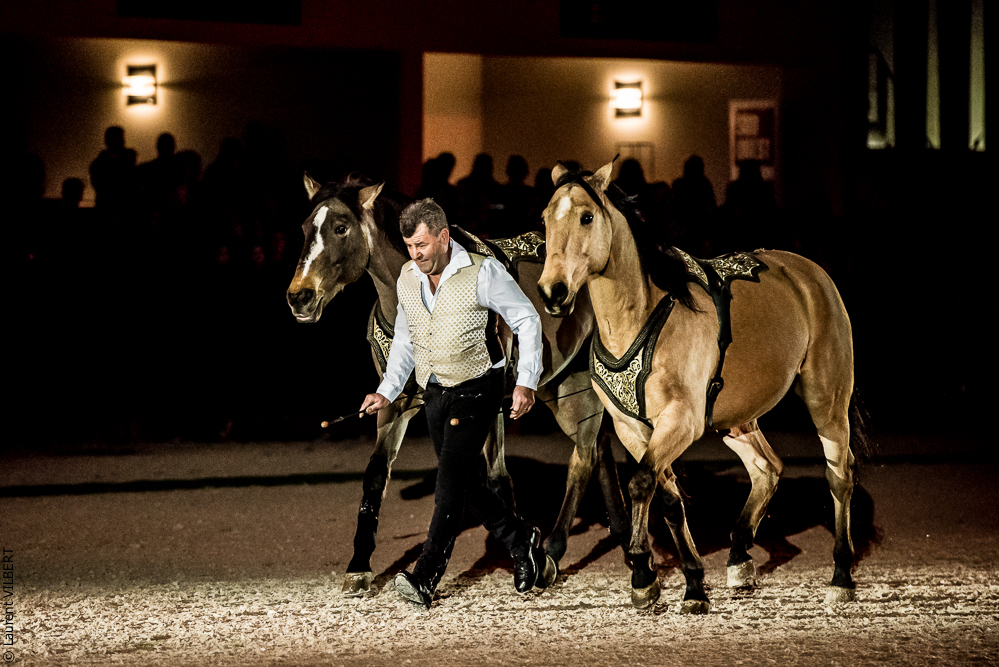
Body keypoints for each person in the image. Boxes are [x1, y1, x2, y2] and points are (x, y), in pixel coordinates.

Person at [359, 198, 544, 609]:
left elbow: (527, 320)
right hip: (435, 391)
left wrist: (526, 382)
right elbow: (405, 339)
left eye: (421, 244)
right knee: (466, 482)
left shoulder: (483, 271)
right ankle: (522, 539)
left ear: (443, 237)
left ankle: (425, 576)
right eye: (410, 246)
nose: (415, 254)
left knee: (448, 485)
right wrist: (387, 390)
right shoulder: (408, 277)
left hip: (478, 386)